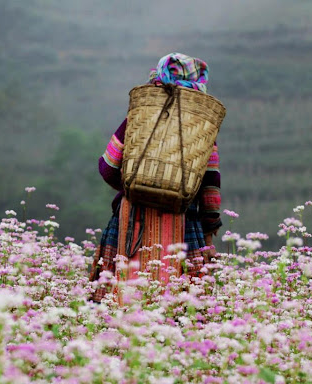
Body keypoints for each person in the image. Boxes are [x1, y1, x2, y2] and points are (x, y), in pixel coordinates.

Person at [89, 53, 222, 303]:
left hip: (131, 219)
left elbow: (108, 166)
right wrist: (209, 234)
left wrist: (136, 187)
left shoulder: (139, 117)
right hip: (184, 221)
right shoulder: (203, 128)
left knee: (118, 300)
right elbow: (210, 189)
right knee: (182, 308)